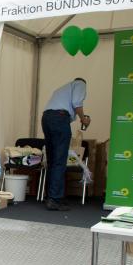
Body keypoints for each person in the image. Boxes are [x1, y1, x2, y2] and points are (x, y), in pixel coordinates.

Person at [41, 78, 91, 211]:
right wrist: (83, 118)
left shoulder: (62, 89)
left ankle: (50, 196)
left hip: (46, 118)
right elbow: (76, 102)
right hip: (59, 117)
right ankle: (55, 199)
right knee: (59, 160)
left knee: (52, 160)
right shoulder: (80, 83)